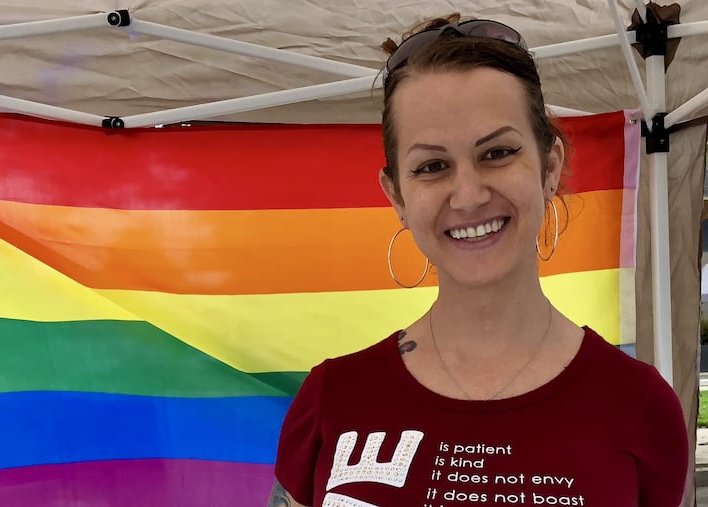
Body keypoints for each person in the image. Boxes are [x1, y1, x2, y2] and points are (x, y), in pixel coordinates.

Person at [267, 13, 688, 507]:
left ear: (549, 167)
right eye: (432, 166)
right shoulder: (329, 400)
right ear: (396, 196)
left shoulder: (640, 406)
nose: (468, 196)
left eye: (497, 153)